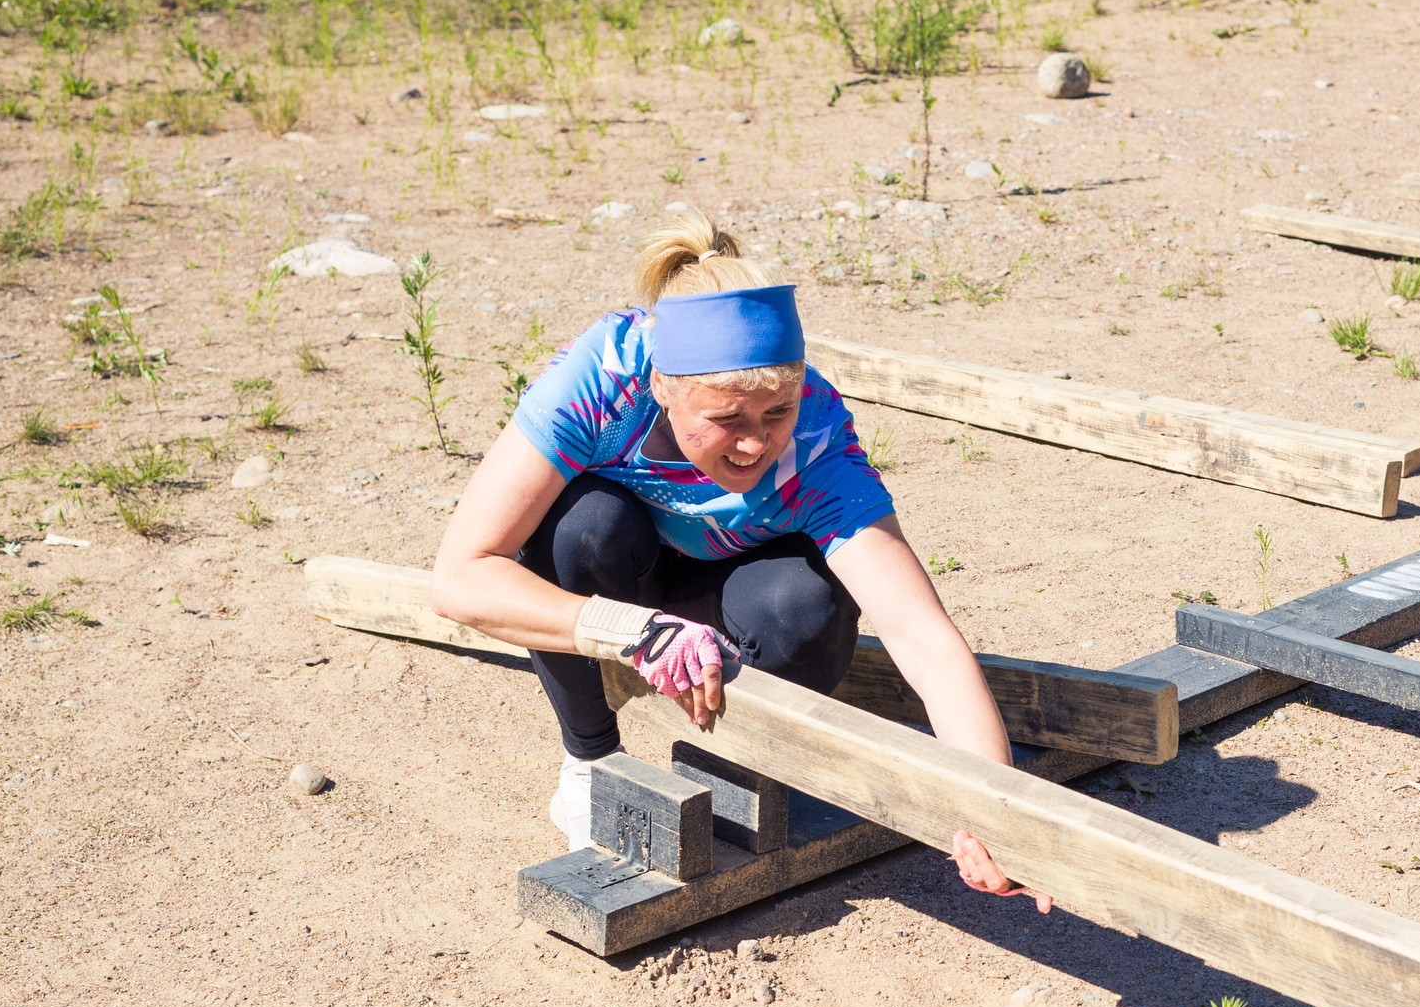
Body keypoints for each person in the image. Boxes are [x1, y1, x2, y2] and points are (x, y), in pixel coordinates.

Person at [430, 207, 1041, 908]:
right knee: (582, 526)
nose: (755, 444)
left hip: (741, 590)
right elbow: (460, 575)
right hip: (627, 575)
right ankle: (591, 765)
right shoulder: (605, 380)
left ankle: (730, 766)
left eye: (774, 413)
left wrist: (998, 819)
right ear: (664, 386)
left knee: (804, 608)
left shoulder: (816, 439)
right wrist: (637, 633)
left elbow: (924, 640)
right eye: (726, 420)